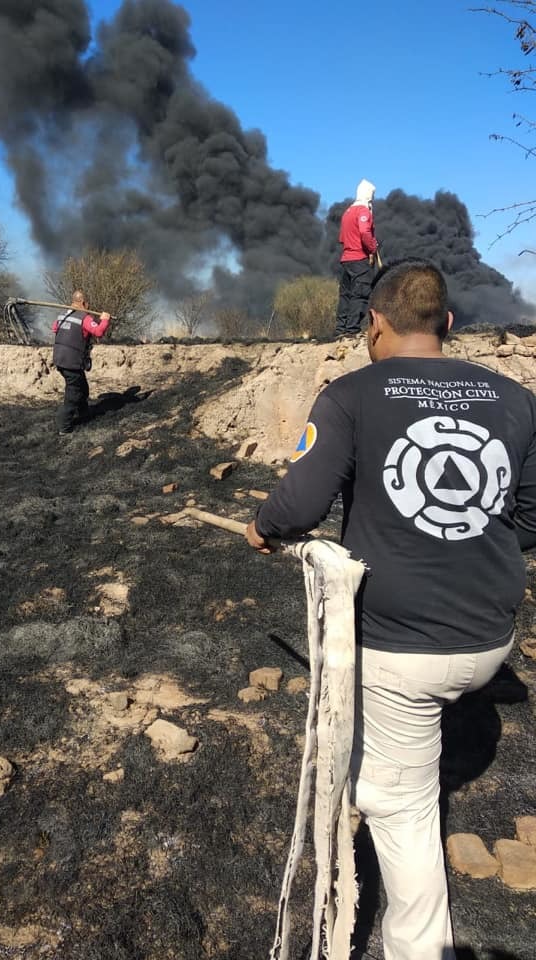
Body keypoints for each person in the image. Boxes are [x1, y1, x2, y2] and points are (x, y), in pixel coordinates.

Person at [246, 259, 536, 960]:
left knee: (402, 809)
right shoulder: (516, 397)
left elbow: (300, 504)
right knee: (415, 737)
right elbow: (528, 517)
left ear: (374, 322)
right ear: (449, 324)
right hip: (492, 637)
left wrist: (264, 529)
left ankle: (420, 947)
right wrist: (463, 543)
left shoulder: (350, 395)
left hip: (404, 652)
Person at [52, 290, 110, 435]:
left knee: (82, 387)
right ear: (84, 303)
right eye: (87, 302)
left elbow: (54, 328)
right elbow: (98, 332)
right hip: (71, 361)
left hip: (59, 359)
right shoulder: (84, 317)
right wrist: (105, 319)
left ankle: (83, 412)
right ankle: (63, 426)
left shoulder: (62, 316)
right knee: (74, 393)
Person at [334, 178, 379, 338]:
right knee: (360, 294)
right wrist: (373, 247)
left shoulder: (347, 212)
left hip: (346, 259)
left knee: (346, 294)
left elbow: (342, 238)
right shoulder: (363, 212)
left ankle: (340, 329)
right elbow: (364, 232)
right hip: (359, 259)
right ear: (368, 195)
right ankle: (352, 330)